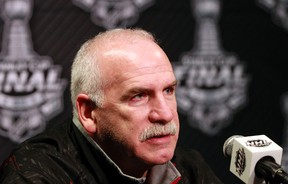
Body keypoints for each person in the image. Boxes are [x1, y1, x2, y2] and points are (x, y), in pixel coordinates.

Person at [0, 28, 223, 184]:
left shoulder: (188, 168)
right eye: (139, 96)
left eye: (168, 91)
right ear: (88, 113)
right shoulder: (35, 174)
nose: (165, 114)